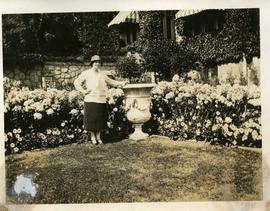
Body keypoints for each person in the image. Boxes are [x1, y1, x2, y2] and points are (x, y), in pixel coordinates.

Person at [74, 55, 128, 145]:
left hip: (101, 99)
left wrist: (123, 83)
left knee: (99, 119)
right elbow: (77, 82)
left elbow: (112, 82)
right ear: (92, 64)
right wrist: (84, 91)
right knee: (91, 120)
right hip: (90, 99)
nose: (97, 64)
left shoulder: (102, 74)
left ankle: (98, 137)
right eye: (95, 62)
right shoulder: (86, 73)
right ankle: (93, 137)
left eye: (98, 62)